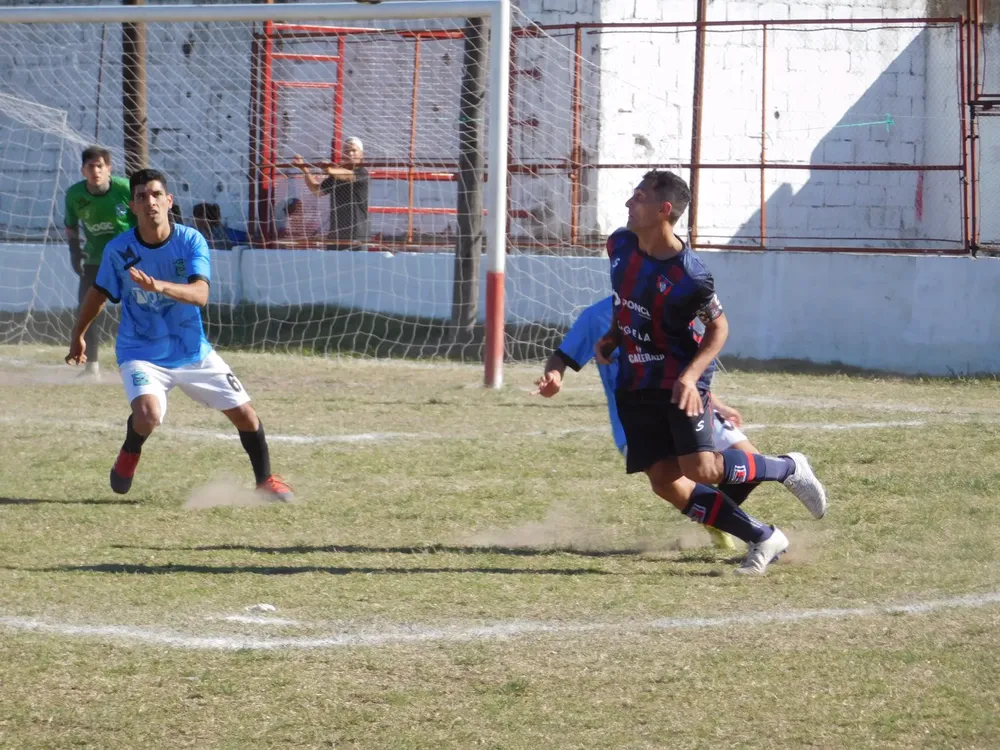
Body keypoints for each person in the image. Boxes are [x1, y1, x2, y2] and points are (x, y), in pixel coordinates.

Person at [593, 170, 827, 575]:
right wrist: (615, 335)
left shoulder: (691, 275)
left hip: (680, 382)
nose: (630, 204)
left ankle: (788, 467)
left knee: (700, 470)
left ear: (664, 210)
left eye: (639, 197)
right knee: (665, 480)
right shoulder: (619, 245)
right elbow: (627, 301)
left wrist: (689, 376)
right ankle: (764, 537)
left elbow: (719, 328)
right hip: (634, 380)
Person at [64, 168, 293, 502]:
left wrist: (159, 286)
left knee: (246, 415)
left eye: (157, 195)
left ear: (169, 201)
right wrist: (78, 334)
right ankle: (130, 450)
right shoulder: (119, 250)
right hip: (141, 351)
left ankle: (265, 480)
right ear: (133, 206)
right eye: (142, 196)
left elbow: (200, 294)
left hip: (191, 349)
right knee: (148, 415)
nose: (150, 202)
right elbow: (98, 293)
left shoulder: (190, 241)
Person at [533, 295, 821, 551]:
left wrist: (717, 404)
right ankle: (753, 533)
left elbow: (687, 364)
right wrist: (554, 377)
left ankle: (729, 508)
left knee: (750, 462)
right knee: (669, 484)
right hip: (636, 421)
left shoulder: (670, 303)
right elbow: (562, 357)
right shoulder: (596, 317)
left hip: (690, 404)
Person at [64, 145, 136, 379]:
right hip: (96, 259)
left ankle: (143, 361)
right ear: (83, 170)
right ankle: (91, 364)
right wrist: (75, 250)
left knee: (141, 306)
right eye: (91, 166)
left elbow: (145, 216)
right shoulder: (75, 195)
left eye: (100, 166)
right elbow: (70, 224)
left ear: (109, 169)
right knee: (87, 310)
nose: (96, 171)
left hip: (129, 259)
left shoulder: (125, 189)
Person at [292, 137, 370, 250]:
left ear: (362, 155)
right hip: (336, 234)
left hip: (356, 235)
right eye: (347, 151)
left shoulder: (362, 173)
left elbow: (347, 175)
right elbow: (317, 191)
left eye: (354, 150)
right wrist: (305, 170)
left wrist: (330, 169)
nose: (350, 154)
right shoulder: (335, 176)